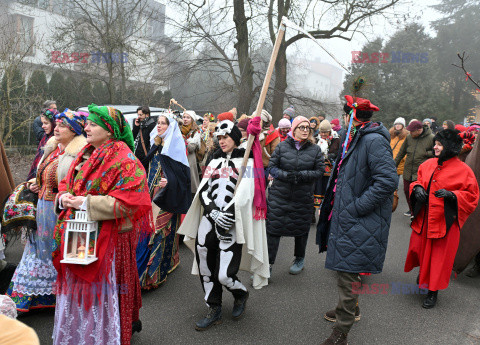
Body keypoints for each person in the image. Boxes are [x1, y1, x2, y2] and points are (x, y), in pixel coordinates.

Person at [52, 104, 153, 345]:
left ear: (109, 130)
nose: (86, 127)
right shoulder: (86, 151)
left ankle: (100, 336)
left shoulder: (125, 158)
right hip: (79, 235)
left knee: (100, 295)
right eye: (87, 123)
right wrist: (62, 197)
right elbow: (68, 183)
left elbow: (130, 203)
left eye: (93, 124)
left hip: (108, 240)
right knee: (78, 292)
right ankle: (78, 335)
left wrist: (85, 203)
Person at [317, 96, 398, 345]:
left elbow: (387, 181)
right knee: (346, 270)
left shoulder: (372, 141)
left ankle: (342, 332)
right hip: (349, 217)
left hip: (360, 220)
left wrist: (355, 208)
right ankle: (349, 310)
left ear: (349, 117)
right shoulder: (358, 137)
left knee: (348, 274)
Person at [178, 118, 269, 331]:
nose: (221, 141)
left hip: (232, 221)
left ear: (235, 138)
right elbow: (203, 190)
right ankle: (214, 307)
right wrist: (212, 212)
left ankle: (241, 294)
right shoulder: (213, 160)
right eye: (219, 137)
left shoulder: (247, 161)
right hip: (209, 219)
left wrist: (226, 213)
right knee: (205, 264)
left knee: (224, 274)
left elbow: (249, 192)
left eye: (225, 137)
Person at [7, 110, 87, 313]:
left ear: (74, 130)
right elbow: (44, 174)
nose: (55, 128)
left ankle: (53, 295)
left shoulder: (79, 153)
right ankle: (31, 297)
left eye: (61, 126)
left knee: (52, 251)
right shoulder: (53, 148)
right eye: (56, 125)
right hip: (42, 207)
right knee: (36, 250)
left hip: (56, 211)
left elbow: (76, 186)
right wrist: (35, 183)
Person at [405, 129, 479, 308]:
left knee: (438, 260)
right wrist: (416, 189)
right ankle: (424, 273)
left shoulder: (464, 170)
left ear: (450, 147)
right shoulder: (427, 164)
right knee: (420, 251)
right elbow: (417, 181)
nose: (435, 147)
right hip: (423, 221)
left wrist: (453, 195)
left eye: (439, 144)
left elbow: (473, 196)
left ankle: (433, 293)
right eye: (435, 144)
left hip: (444, 224)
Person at [136, 115, 191, 289]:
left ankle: (153, 275)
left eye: (162, 123)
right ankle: (170, 261)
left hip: (165, 195)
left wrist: (170, 182)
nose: (159, 126)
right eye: (158, 123)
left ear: (170, 126)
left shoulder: (175, 144)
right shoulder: (157, 142)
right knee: (158, 230)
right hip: (150, 193)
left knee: (159, 231)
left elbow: (183, 175)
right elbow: (147, 165)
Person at [267, 116, 324, 274]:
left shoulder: (315, 149)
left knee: (301, 230)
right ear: (294, 129)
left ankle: (299, 258)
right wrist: (286, 176)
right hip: (279, 195)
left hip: (302, 197)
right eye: (302, 127)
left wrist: (303, 175)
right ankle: (268, 264)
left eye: (308, 128)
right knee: (273, 229)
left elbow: (320, 171)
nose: (306, 130)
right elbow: (272, 167)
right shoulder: (282, 146)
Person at [394, 120, 434, 217]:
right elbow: (401, 152)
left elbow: (436, 152)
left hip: (421, 172)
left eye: (412, 131)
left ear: (419, 130)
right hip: (408, 170)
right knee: (407, 191)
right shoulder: (409, 137)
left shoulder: (432, 138)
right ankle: (412, 210)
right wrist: (393, 165)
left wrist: (426, 153)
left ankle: (417, 213)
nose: (410, 133)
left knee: (418, 193)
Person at [314, 119, 340, 209]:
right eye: (322, 132)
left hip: (330, 171)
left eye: (326, 132)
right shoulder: (316, 139)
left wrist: (332, 155)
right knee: (316, 190)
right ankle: (313, 212)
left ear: (330, 131)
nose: (323, 134)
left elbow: (339, 152)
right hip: (318, 171)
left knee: (327, 190)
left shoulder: (336, 139)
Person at [27, 109, 58, 180]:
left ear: (54, 124)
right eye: (42, 123)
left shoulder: (58, 142)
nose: (42, 126)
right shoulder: (45, 137)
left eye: (46, 123)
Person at [181, 110, 202, 196]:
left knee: (190, 187)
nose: (185, 119)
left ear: (192, 120)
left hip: (189, 161)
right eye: (184, 117)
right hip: (179, 160)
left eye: (188, 118)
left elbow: (191, 148)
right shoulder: (178, 129)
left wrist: (183, 140)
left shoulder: (196, 132)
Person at [390, 117, 409, 205]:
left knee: (395, 183)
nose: (397, 126)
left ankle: (393, 200)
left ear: (403, 126)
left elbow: (406, 150)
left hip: (398, 163)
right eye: (396, 124)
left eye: (399, 124)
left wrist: (402, 159)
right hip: (389, 160)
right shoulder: (391, 135)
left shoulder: (406, 136)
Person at [132, 106, 156, 172]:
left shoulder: (152, 126)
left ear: (147, 114)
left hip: (145, 159)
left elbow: (153, 144)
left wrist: (146, 157)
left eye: (141, 115)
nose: (139, 116)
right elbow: (132, 138)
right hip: (137, 157)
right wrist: (136, 126)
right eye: (138, 115)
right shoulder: (140, 124)